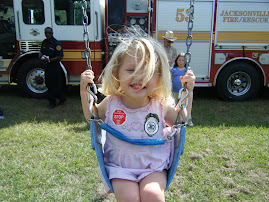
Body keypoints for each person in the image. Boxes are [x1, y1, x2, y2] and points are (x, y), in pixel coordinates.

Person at [80, 33, 195, 201]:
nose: (138, 77)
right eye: (131, 69)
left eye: (147, 72)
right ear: (117, 73)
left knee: (153, 195)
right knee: (129, 197)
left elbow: (180, 120)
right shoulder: (112, 103)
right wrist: (84, 91)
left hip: (153, 166)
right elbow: (92, 117)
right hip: (120, 167)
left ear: (158, 78)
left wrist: (188, 92)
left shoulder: (159, 105)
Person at [39, 27, 66, 109]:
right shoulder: (44, 42)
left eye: (49, 33)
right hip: (47, 66)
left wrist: (50, 60)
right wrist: (40, 56)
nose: (47, 34)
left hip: (55, 67)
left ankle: (52, 103)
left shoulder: (56, 44)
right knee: (48, 83)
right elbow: (41, 51)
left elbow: (60, 56)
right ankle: (62, 98)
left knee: (53, 85)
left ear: (52, 33)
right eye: (46, 33)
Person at [170, 52, 194, 126]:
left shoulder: (188, 69)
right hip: (174, 91)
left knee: (186, 105)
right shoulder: (173, 69)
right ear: (176, 61)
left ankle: (188, 119)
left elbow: (191, 77)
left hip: (184, 92)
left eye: (182, 60)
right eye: (179, 60)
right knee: (173, 105)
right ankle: (173, 119)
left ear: (186, 61)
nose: (181, 62)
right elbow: (168, 78)